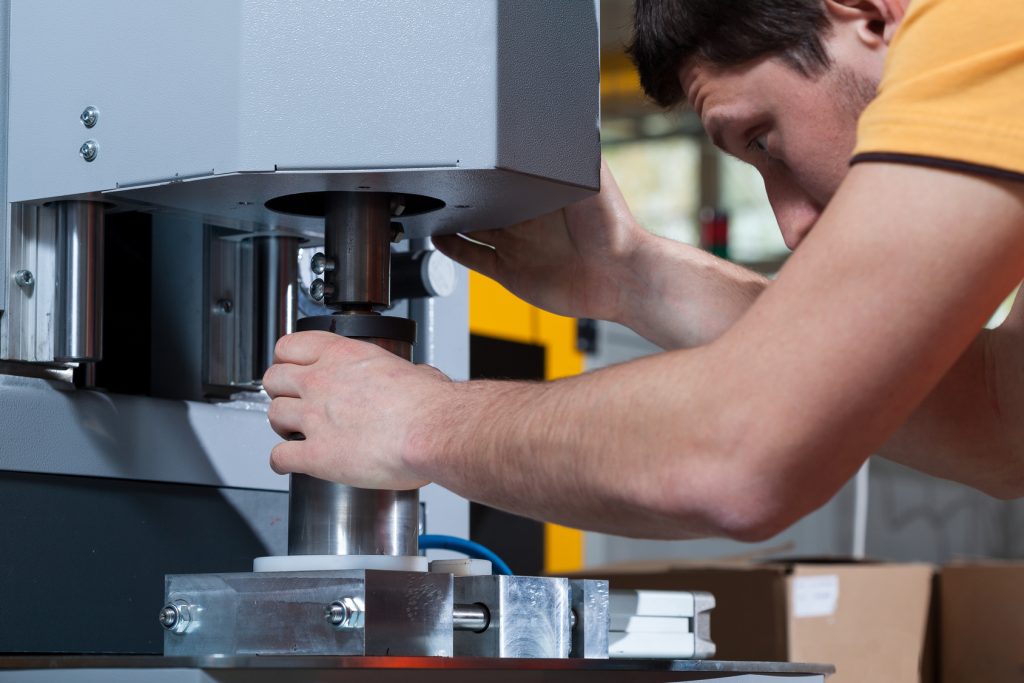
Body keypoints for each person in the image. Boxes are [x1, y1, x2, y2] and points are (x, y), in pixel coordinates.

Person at [262, 0, 1024, 541]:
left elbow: (740, 457)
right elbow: (1000, 419)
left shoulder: (982, 18)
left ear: (865, 12)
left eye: (761, 139)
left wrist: (416, 422)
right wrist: (630, 277)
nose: (793, 225)